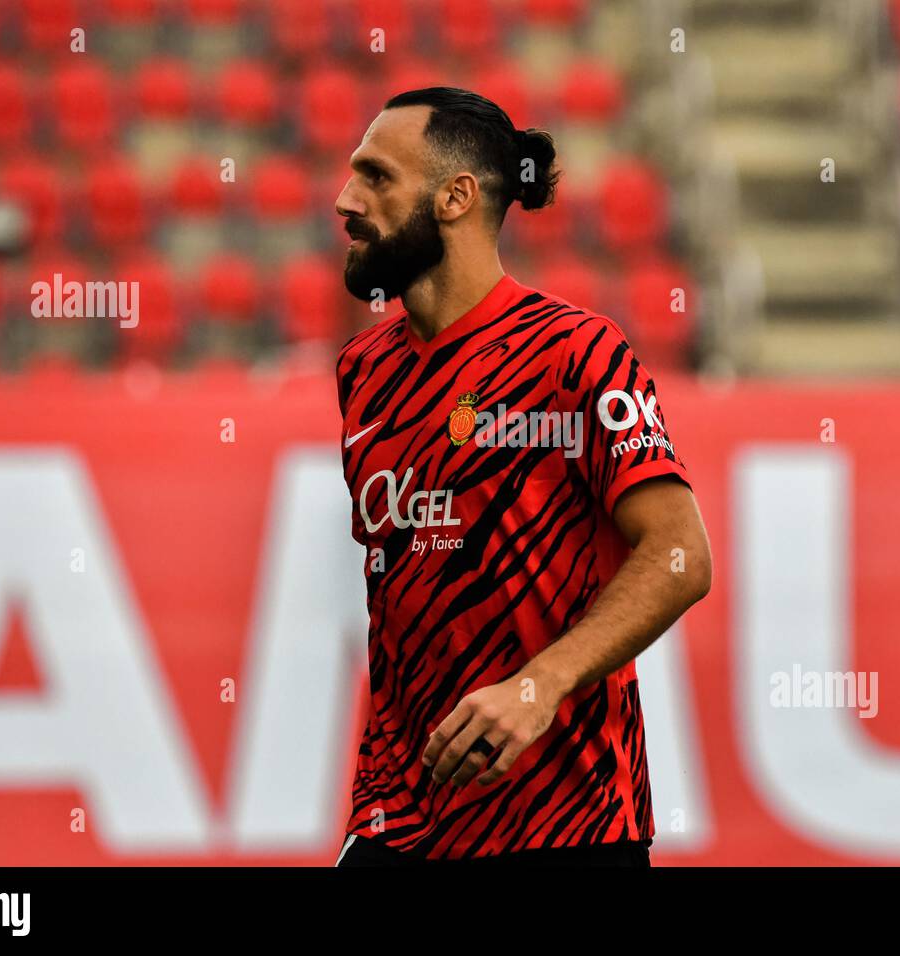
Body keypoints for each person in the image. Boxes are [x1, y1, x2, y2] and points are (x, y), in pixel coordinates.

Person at [332, 87, 711, 866]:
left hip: (564, 822)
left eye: (376, 177)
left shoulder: (577, 354)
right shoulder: (361, 372)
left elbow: (682, 556)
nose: (346, 200)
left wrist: (538, 686)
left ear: (455, 196)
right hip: (399, 815)